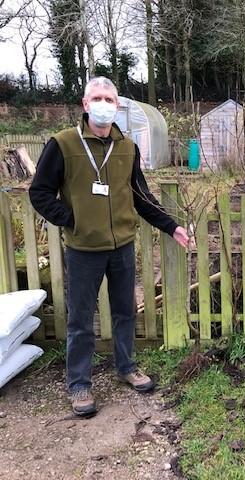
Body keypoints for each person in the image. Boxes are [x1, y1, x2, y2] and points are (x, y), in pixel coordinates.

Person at [29, 77, 190, 416]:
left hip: (122, 247)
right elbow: (39, 192)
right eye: (97, 98)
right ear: (85, 104)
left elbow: (142, 197)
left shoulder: (127, 147)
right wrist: (72, 220)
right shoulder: (63, 144)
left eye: (110, 99)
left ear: (117, 106)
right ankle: (79, 384)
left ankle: (127, 366)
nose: (104, 104)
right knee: (82, 319)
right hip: (84, 249)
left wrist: (171, 225)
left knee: (124, 312)